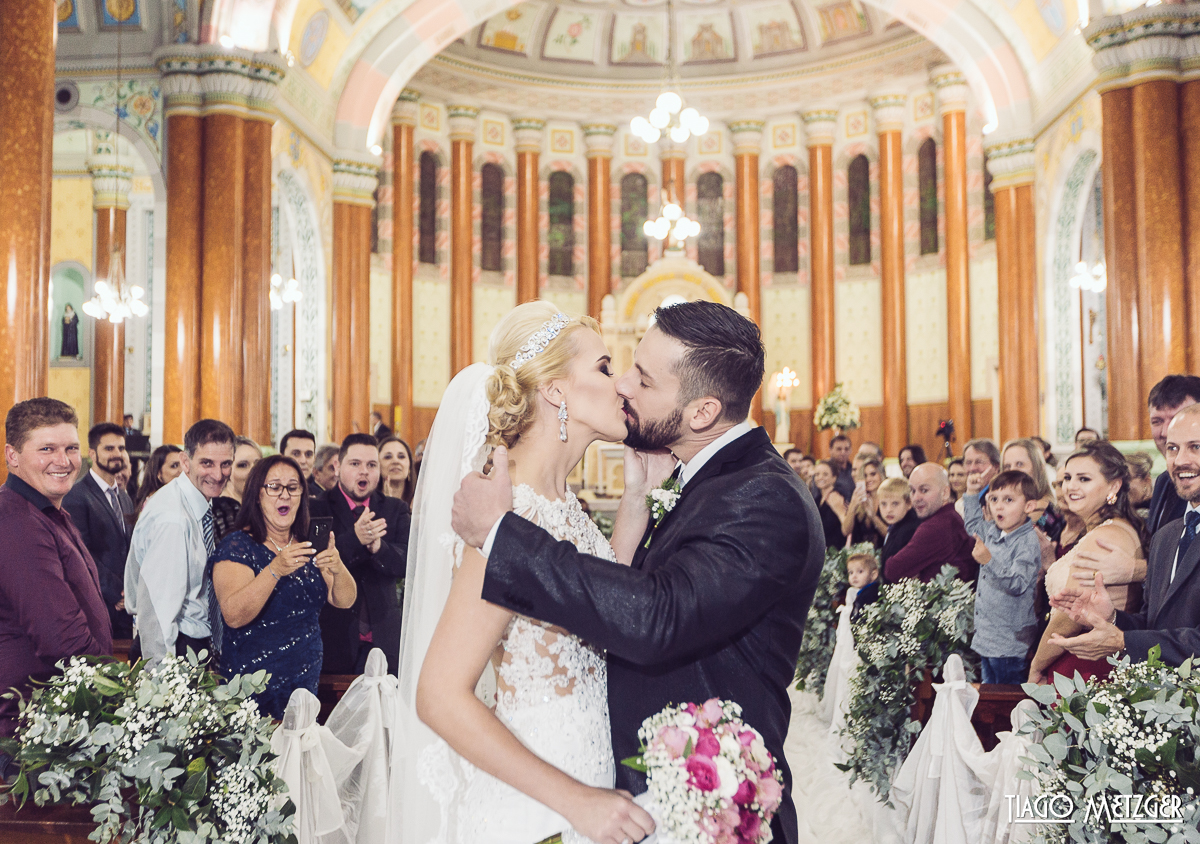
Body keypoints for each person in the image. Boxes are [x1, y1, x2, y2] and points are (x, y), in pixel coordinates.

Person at [445, 301, 823, 844]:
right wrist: (635, 504)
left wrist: (503, 535)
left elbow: (656, 613)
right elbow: (613, 602)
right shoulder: (696, 480)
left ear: (701, 412)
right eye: (614, 367)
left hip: (708, 806)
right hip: (589, 798)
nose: (623, 385)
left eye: (641, 378)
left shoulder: (761, 497)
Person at [0, 398, 112, 758]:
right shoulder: (17, 522)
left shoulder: (45, 512)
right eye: (46, 448)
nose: (63, 461)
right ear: (12, 456)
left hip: (61, 719)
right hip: (31, 732)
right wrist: (120, 689)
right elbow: (61, 638)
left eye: (71, 448)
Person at [1049, 404, 1200, 668]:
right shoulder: (1166, 536)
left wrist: (1123, 641)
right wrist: (1112, 618)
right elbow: (1153, 623)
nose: (1180, 460)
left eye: (1195, 447)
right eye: (1173, 448)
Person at [210, 455, 356, 718]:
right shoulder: (238, 546)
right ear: (257, 494)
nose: (284, 495)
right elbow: (233, 615)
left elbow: (344, 600)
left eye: (292, 487)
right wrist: (274, 570)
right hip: (251, 684)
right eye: (274, 487)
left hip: (303, 680)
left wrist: (336, 565)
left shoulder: (308, 543)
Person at [1028, 440, 1146, 684]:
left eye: (1084, 479)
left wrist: (1037, 664)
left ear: (1113, 485)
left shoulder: (1104, 537)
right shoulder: (1113, 527)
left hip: (1086, 665)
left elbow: (1070, 616)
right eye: (1068, 478)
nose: (1070, 486)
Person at [125, 419, 236, 662]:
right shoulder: (173, 519)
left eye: (225, 464)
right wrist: (161, 684)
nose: (218, 475)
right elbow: (157, 613)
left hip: (191, 642)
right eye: (207, 463)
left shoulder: (194, 501)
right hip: (173, 649)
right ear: (185, 462)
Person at [310, 433, 409, 674]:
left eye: (371, 465)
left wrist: (378, 547)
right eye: (355, 464)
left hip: (384, 634)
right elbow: (316, 560)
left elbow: (407, 562)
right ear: (337, 466)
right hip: (334, 635)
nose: (363, 471)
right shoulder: (317, 507)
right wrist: (356, 539)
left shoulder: (395, 509)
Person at [964, 470, 1041, 684]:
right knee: (990, 698)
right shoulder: (993, 532)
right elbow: (972, 526)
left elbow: (1018, 583)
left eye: (1008, 500)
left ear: (1029, 507)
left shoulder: (1026, 542)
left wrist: (989, 561)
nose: (998, 506)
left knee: (1007, 701)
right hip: (987, 638)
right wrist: (971, 493)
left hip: (1009, 644)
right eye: (994, 499)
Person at [62, 422, 135, 639]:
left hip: (127, 606)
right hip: (98, 602)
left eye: (121, 448)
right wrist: (117, 593)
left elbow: (130, 550)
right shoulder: (76, 496)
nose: (117, 454)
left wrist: (131, 591)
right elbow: (80, 554)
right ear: (93, 453)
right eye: (109, 448)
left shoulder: (124, 497)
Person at [883, 463, 977, 584]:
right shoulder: (949, 517)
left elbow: (892, 570)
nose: (916, 497)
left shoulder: (937, 526)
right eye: (912, 491)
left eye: (924, 490)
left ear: (945, 493)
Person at [1146, 375, 1200, 536]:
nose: (1165, 432)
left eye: (1178, 418)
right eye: (1157, 421)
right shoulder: (1164, 481)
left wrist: (1134, 563)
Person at [1002, 437, 1065, 543]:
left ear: (1038, 468)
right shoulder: (1000, 508)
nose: (1012, 471)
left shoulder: (1050, 514)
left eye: (1019, 464)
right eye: (1007, 466)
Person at [211, 436, 262, 543]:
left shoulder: (255, 508)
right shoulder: (223, 510)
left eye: (258, 464)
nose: (253, 471)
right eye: (242, 465)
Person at [841, 455, 886, 547]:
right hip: (858, 556)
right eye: (865, 475)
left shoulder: (889, 500)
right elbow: (845, 531)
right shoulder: (859, 500)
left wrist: (873, 517)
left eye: (873, 474)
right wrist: (853, 506)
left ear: (881, 475)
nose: (868, 479)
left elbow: (891, 535)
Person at [878, 477, 919, 572]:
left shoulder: (909, 530)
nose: (888, 510)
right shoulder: (897, 525)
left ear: (909, 503)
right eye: (883, 504)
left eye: (895, 504)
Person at [134, 444, 184, 512]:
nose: (182, 471)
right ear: (159, 474)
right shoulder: (154, 506)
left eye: (184, 465)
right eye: (174, 466)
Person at [812, 458, 847, 550]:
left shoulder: (837, 496)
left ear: (834, 477)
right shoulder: (817, 499)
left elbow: (846, 524)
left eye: (825, 474)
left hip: (836, 549)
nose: (820, 478)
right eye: (817, 474)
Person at [280, 429, 322, 498]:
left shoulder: (320, 498)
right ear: (281, 458)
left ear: (314, 458)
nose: (303, 461)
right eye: (296, 454)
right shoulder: (269, 492)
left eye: (308, 455)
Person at [378, 435, 415, 505]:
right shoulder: (368, 505)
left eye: (401, 456)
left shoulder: (420, 502)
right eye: (388, 457)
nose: (395, 461)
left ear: (409, 466)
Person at [847, 552, 880, 622]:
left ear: (873, 575)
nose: (854, 576)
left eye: (860, 571)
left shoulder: (871, 594)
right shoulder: (863, 592)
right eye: (851, 572)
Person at [828, 433, 856, 500]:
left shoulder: (854, 469)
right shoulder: (824, 471)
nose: (843, 452)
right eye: (839, 449)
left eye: (846, 449)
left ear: (851, 450)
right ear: (830, 450)